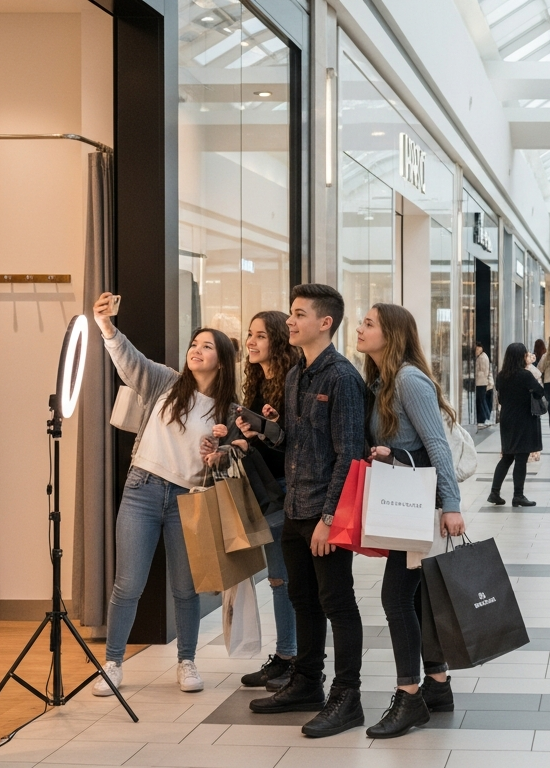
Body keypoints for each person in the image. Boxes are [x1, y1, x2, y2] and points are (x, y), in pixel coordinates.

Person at [89, 292, 237, 697]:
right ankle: (113, 663)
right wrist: (106, 326)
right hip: (141, 489)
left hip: (187, 500)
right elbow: (129, 360)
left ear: (221, 360)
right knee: (128, 584)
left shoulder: (228, 410)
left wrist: (218, 454)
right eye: (194, 344)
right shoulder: (166, 382)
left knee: (185, 588)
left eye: (206, 346)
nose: (196, 350)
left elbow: (228, 465)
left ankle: (187, 661)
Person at [241, 284, 369, 740]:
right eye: (291, 313)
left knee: (338, 602)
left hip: (322, 514)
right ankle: (307, 682)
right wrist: (264, 428)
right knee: (303, 601)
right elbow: (294, 443)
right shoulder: (297, 374)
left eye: (298, 314)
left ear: (325, 322)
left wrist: (329, 519)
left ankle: (347, 696)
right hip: (295, 507)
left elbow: (350, 455)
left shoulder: (342, 378)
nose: (290, 321)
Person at [356, 304, 465, 738]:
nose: (361, 329)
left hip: (420, 506)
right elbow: (409, 446)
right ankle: (437, 685)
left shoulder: (407, 379)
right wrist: (389, 453)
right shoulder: (381, 381)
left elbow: (438, 445)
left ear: (392, 333)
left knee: (396, 598)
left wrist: (452, 504)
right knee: (416, 597)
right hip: (404, 503)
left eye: (369, 324)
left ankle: (409, 696)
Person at [226, 311, 300, 690]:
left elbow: (291, 442)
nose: (251, 342)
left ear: (278, 341)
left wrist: (266, 432)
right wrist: (238, 438)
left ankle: (293, 658)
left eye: (260, 336)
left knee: (285, 579)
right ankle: (286, 655)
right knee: (277, 578)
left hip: (288, 488)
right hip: (266, 488)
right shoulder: (256, 384)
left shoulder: (291, 383)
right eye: (249, 335)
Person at [489, 342, 544, 506]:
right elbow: (540, 391)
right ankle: (518, 495)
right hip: (523, 419)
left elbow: (502, 396)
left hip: (507, 419)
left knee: (507, 456)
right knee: (521, 457)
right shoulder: (525, 375)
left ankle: (494, 492)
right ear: (521, 357)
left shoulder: (501, 375)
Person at [474, 342, 493, 427]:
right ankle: (484, 418)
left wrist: (477, 375)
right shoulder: (481, 357)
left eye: (477, 349)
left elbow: (484, 371)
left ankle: (485, 418)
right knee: (481, 400)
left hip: (481, 382)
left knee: (481, 400)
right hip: (481, 382)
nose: (476, 351)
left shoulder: (482, 357)